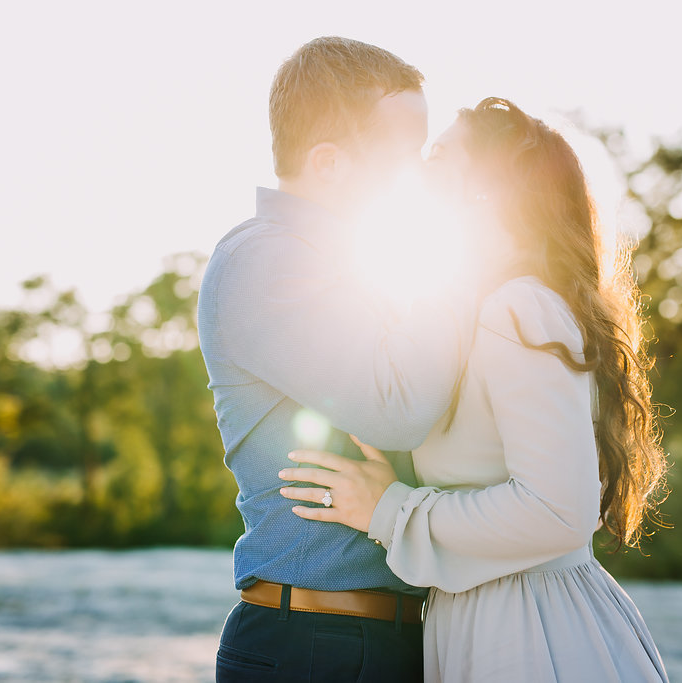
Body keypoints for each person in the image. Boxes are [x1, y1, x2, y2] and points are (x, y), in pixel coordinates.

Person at [279, 97, 671, 682]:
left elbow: (559, 510)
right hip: (487, 615)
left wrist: (390, 510)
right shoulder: (483, 307)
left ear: (488, 190)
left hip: (529, 633)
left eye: (439, 155)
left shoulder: (519, 308)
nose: (418, 166)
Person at [197, 37, 476, 682]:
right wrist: (466, 262)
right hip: (320, 645)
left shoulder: (349, 264)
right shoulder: (265, 261)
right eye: (406, 156)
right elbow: (398, 411)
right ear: (327, 163)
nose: (424, 175)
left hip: (362, 637)